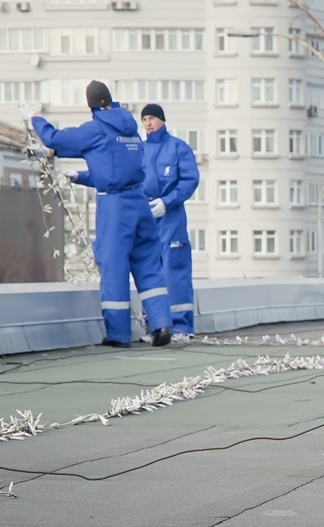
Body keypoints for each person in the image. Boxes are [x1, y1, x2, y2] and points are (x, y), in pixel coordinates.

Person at [18, 81, 172, 348]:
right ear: (109, 101)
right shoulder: (130, 130)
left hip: (115, 208)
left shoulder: (97, 128)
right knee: (148, 266)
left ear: (92, 106)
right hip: (139, 202)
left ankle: (118, 334)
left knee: (113, 266)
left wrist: (34, 119)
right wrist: (80, 176)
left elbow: (57, 138)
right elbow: (113, 164)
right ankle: (161, 324)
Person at [138, 103, 200, 339]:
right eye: (144, 120)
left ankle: (182, 327)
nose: (148, 123)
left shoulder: (178, 148)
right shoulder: (139, 150)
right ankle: (156, 327)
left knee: (175, 270)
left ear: (162, 120)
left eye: (152, 118)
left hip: (171, 217)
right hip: (146, 217)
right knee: (149, 271)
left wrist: (167, 201)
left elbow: (189, 180)